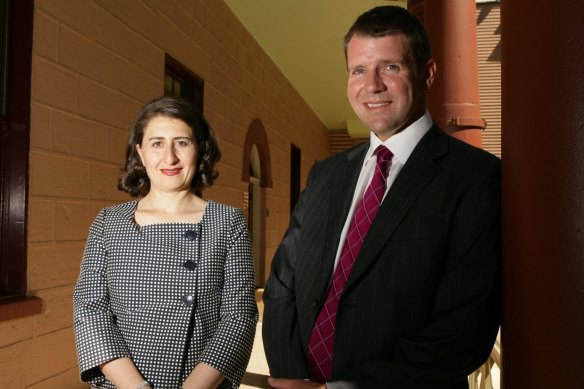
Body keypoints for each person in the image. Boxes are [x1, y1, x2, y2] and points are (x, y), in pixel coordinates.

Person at [262, 6, 500, 389]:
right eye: (358, 70)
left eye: (390, 67)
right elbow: (281, 284)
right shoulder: (326, 174)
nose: (371, 86)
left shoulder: (476, 178)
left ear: (428, 73)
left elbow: (465, 327)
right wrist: (291, 377)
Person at [73, 96, 258, 389]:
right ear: (141, 153)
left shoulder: (228, 222)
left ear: (199, 149)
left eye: (182, 143)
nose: (169, 157)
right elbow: (90, 310)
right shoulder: (109, 222)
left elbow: (239, 317)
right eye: (157, 143)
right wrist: (136, 387)